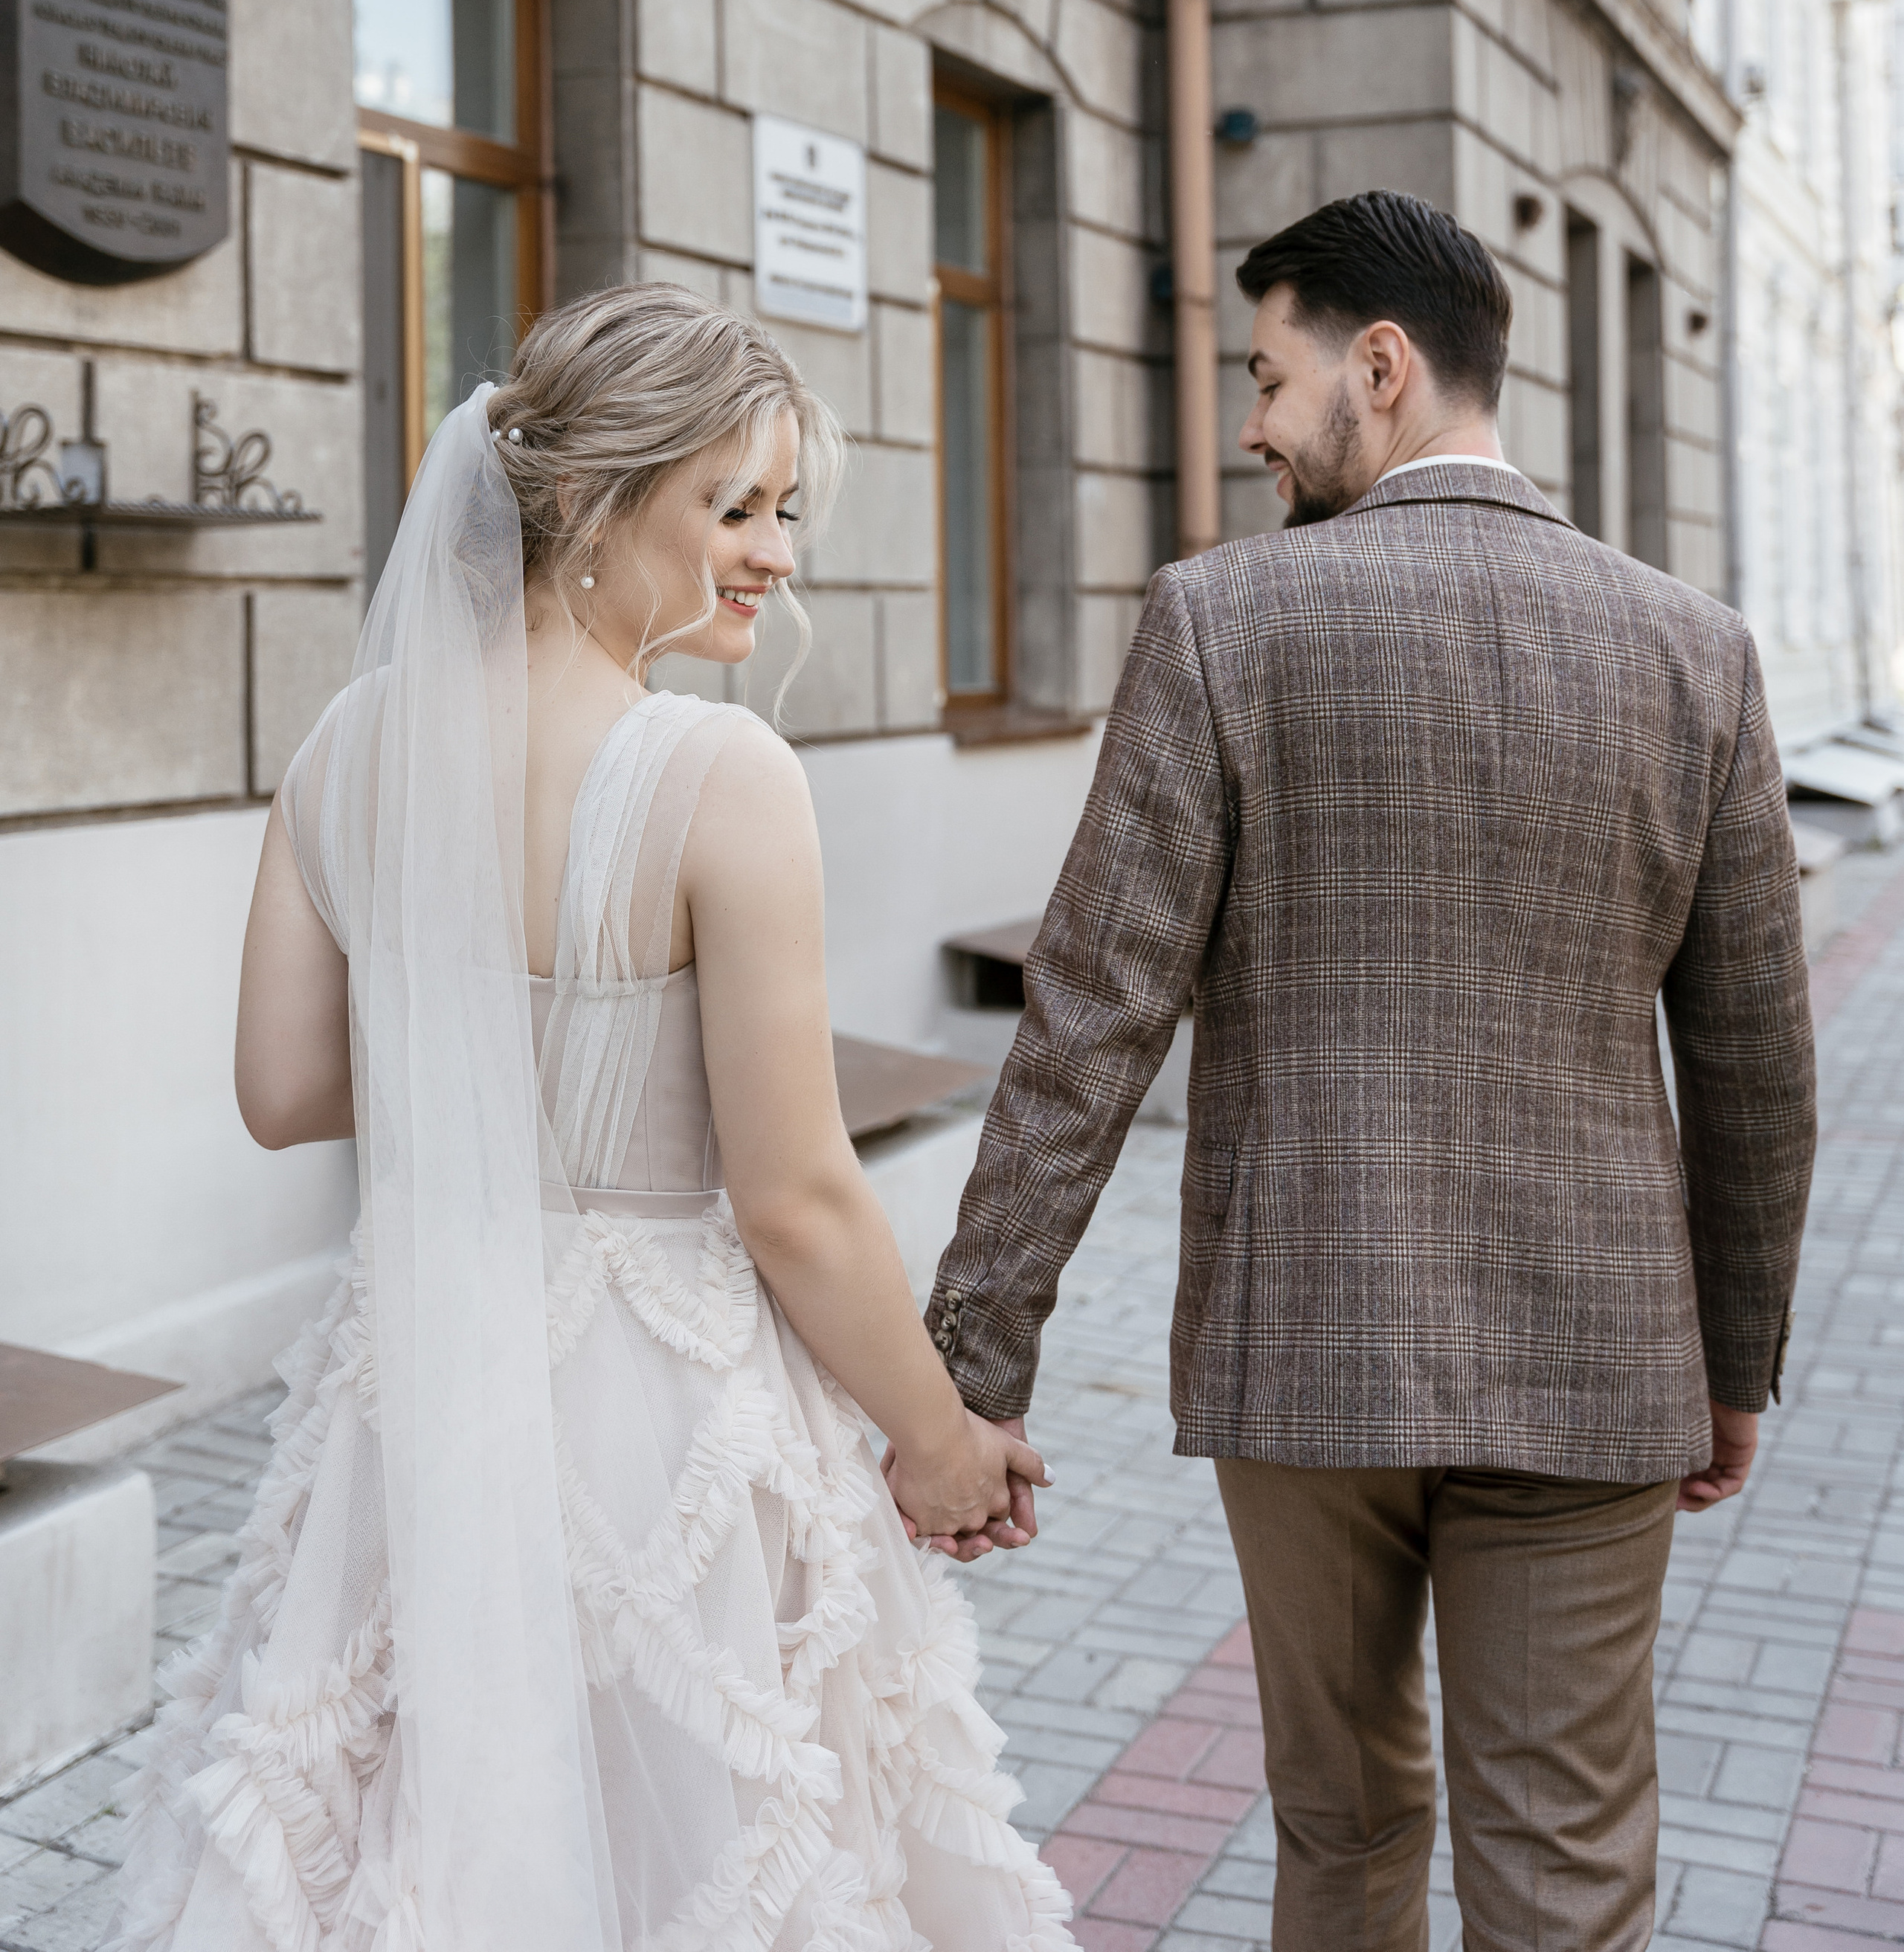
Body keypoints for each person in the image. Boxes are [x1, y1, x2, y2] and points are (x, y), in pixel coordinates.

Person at [110, 282, 1072, 1952]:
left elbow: (282, 1094)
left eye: (785, 512)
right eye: (736, 506)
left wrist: (491, 1059)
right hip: (661, 1426)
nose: (775, 554)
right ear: (603, 504)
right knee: (697, 1854)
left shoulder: (349, 747)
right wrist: (935, 1442)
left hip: (412, 1395)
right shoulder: (717, 777)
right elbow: (795, 1197)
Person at [924, 190, 1815, 1952]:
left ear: (1381, 365)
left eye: (1267, 375)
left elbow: (1091, 1013)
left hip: (1302, 1354)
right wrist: (1731, 1359)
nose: (1249, 423)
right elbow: (1754, 1060)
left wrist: (975, 1362)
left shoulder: (1217, 622)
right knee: (1563, 1866)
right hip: (1595, 1354)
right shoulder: (1689, 647)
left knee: (1336, 1826)